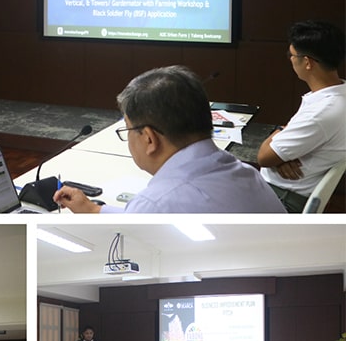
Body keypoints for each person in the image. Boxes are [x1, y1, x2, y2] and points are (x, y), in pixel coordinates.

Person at [53, 65, 286, 213]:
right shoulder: (244, 172)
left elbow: (151, 212)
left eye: (128, 130)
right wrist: (93, 210)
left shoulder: (157, 203)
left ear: (149, 139)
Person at [258, 21, 346, 212]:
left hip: (281, 198)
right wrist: (281, 154)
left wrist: (280, 133)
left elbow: (264, 157)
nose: (290, 59)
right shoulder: (337, 95)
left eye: (292, 55)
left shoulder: (322, 112)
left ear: (307, 62)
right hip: (287, 191)